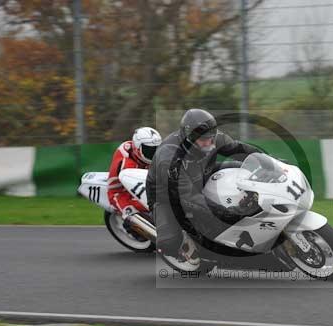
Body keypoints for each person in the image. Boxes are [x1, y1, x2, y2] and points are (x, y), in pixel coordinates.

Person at [146, 109, 261, 266]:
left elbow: (237, 148)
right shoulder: (169, 157)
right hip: (167, 196)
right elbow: (187, 197)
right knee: (169, 242)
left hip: (200, 174)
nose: (209, 143)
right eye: (204, 140)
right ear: (189, 138)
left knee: (239, 167)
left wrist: (265, 160)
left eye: (211, 138)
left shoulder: (212, 136)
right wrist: (223, 213)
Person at [107, 127, 162, 223]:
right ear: (137, 148)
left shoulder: (141, 155)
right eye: (149, 150)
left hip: (142, 176)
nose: (154, 154)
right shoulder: (127, 165)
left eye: (157, 149)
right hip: (119, 192)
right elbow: (115, 191)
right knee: (138, 212)